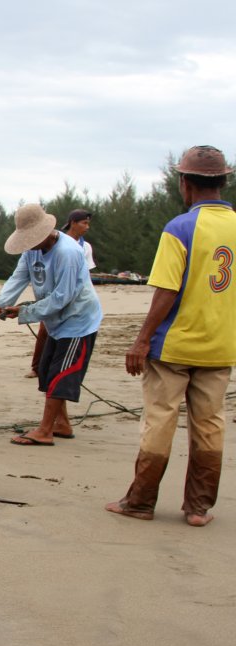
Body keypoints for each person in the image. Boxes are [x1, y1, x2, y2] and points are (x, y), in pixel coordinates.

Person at [105, 145, 236, 528]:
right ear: (223, 181)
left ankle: (141, 501)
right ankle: (198, 508)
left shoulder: (179, 228)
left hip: (175, 345)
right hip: (221, 346)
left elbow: (166, 290)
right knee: (211, 422)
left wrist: (141, 339)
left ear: (185, 183)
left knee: (160, 419)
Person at [0, 203, 103, 445]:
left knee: (61, 374)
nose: (29, 244)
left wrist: (27, 311)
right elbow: (19, 277)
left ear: (46, 232)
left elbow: (63, 296)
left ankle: (45, 430)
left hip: (77, 320)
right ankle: (62, 424)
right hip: (54, 320)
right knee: (46, 371)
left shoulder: (67, 253)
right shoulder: (31, 251)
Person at [25, 208, 96, 378]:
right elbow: (21, 275)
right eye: (83, 223)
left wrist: (24, 312)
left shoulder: (83, 247)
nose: (87, 227)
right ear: (73, 223)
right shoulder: (49, 245)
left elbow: (84, 275)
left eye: (88, 223)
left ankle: (45, 368)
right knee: (45, 330)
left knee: (58, 383)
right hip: (50, 297)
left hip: (72, 307)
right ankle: (37, 366)